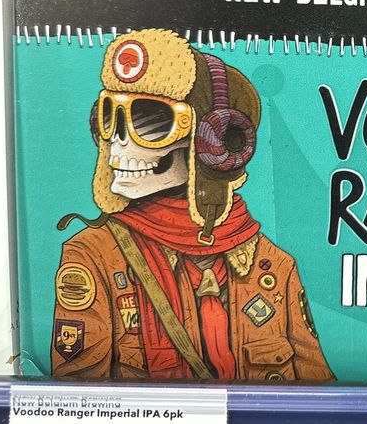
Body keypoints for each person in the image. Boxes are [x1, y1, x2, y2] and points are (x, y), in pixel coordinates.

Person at [52, 29, 333, 380]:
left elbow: (318, 391)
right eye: (109, 118)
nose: (118, 144)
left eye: (150, 122)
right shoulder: (95, 257)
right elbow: (78, 397)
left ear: (218, 145)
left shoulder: (274, 269)